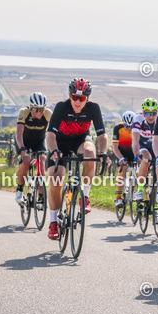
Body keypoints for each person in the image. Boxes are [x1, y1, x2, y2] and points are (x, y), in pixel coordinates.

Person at [45, 78, 108, 239]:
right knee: (56, 178)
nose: (78, 101)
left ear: (87, 98)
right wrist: (54, 151)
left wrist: (103, 153)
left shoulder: (93, 108)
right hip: (60, 143)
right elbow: (50, 135)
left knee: (90, 153)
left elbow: (102, 135)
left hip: (80, 141)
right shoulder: (61, 107)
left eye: (81, 98)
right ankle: (53, 222)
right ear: (70, 95)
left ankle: (85, 197)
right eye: (74, 97)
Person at [14, 93, 52, 204]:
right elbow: (19, 133)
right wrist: (21, 148)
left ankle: (41, 195)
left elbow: (54, 132)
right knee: (26, 161)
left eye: (41, 109)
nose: (39, 112)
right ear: (31, 107)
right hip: (24, 141)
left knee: (42, 163)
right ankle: (19, 189)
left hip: (39, 141)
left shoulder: (48, 114)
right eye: (36, 109)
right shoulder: (24, 112)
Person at [130, 98, 158, 202]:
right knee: (146, 158)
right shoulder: (138, 119)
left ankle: (155, 202)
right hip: (142, 145)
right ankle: (141, 188)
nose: (151, 116)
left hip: (155, 146)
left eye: (153, 113)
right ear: (143, 112)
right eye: (148, 113)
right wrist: (136, 154)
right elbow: (135, 140)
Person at [111, 111, 136, 208]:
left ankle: (135, 191)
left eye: (131, 126)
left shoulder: (138, 128)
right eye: (127, 126)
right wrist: (120, 158)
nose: (129, 129)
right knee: (123, 169)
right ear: (123, 124)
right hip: (121, 153)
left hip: (133, 153)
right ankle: (118, 197)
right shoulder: (118, 128)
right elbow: (115, 147)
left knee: (138, 170)